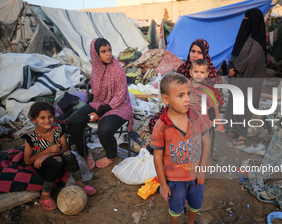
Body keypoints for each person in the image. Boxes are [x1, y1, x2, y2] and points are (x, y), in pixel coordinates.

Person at [151, 73, 210, 224]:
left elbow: (206, 142)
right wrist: (163, 184)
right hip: (175, 179)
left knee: (196, 203)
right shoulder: (161, 126)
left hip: (195, 176)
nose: (187, 100)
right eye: (180, 95)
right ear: (166, 99)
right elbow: (157, 158)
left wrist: (202, 169)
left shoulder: (196, 116)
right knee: (175, 207)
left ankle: (190, 223)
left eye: (188, 94)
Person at [68, 38, 134, 169]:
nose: (108, 54)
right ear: (96, 55)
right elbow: (95, 90)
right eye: (103, 51)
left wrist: (99, 112)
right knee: (73, 121)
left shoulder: (118, 69)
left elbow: (119, 97)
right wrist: (89, 107)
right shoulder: (96, 68)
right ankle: (85, 153)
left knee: (104, 130)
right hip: (99, 103)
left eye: (109, 50)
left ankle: (111, 156)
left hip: (119, 106)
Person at [22, 102, 96, 211]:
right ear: (33, 120)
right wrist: (46, 153)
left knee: (69, 155)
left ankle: (80, 183)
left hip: (58, 156)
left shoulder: (58, 129)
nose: (47, 120)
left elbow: (64, 149)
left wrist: (48, 153)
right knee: (56, 161)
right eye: (42, 118)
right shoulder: (30, 137)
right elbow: (28, 161)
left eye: (50, 117)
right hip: (43, 165)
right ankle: (45, 195)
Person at [149, 38, 222, 132]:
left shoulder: (212, 76)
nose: (195, 55)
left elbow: (218, 102)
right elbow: (172, 92)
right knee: (155, 122)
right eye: (193, 51)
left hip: (201, 115)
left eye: (199, 52)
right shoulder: (183, 70)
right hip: (178, 109)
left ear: (205, 54)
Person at [226, 8, 267, 146]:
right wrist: (230, 66)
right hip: (239, 75)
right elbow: (235, 53)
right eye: (245, 18)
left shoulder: (258, 41)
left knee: (245, 104)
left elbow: (252, 59)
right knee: (235, 101)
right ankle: (235, 128)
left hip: (251, 76)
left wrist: (236, 68)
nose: (245, 21)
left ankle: (243, 134)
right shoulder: (244, 35)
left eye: (248, 19)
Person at [189, 59, 223, 128]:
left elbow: (215, 104)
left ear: (206, 74)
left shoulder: (208, 90)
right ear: (191, 72)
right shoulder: (185, 86)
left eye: (202, 72)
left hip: (202, 120)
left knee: (203, 137)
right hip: (186, 118)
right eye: (196, 71)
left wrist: (217, 115)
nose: (198, 75)